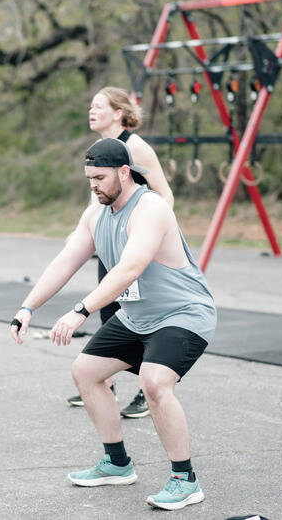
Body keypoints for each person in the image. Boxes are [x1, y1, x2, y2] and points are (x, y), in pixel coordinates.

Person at [10, 138, 215, 511]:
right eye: (89, 178)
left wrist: (81, 310)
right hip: (136, 317)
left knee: (154, 382)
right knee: (86, 372)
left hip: (182, 313)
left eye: (100, 178)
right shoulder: (95, 215)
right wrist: (28, 307)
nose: (94, 186)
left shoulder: (150, 208)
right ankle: (117, 463)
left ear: (124, 172)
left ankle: (185, 480)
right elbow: (65, 261)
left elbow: (130, 268)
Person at [67, 86, 175, 417]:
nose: (91, 111)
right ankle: (104, 383)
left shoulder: (136, 148)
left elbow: (165, 195)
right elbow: (97, 200)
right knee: (109, 312)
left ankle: (150, 389)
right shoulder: (99, 150)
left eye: (99, 106)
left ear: (118, 112)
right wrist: (82, 234)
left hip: (135, 248)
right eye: (90, 106)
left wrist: (150, 238)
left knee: (138, 318)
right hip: (109, 245)